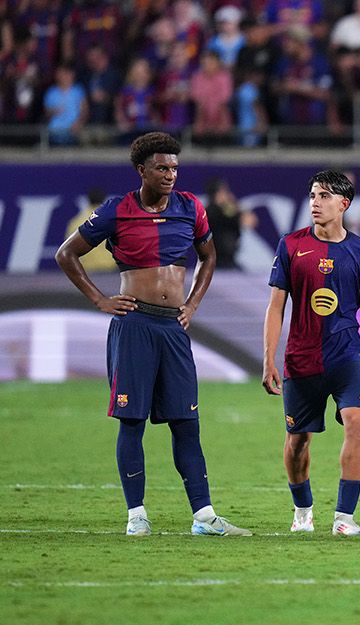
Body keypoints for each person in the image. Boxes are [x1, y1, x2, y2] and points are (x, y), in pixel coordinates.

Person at [53, 132, 250, 537]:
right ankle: (136, 516)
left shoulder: (190, 208)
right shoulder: (116, 211)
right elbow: (66, 253)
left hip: (173, 328)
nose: (170, 174)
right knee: (132, 421)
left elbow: (208, 256)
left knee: (186, 423)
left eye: (175, 167)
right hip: (135, 325)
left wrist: (193, 304)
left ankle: (205, 516)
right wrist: (99, 299)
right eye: (162, 167)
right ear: (141, 170)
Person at [262, 170, 360, 537]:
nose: (315, 203)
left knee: (357, 422)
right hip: (301, 359)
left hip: (347, 356)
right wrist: (268, 358)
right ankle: (303, 511)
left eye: (324, 196)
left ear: (343, 204)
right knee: (298, 441)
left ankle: (344, 518)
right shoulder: (290, 246)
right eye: (313, 196)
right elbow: (276, 307)